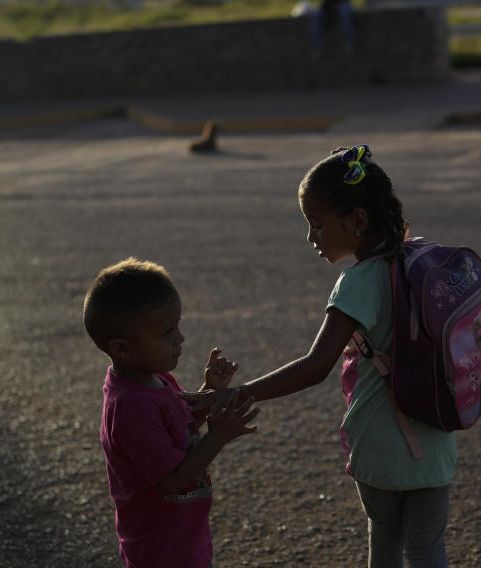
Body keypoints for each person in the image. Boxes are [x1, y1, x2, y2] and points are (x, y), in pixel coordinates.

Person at [181, 146, 456, 568]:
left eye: (317, 225)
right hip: (436, 429)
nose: (311, 238)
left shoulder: (358, 282)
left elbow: (316, 366)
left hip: (383, 442)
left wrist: (239, 393)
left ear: (357, 220)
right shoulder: (420, 261)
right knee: (426, 546)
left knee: (385, 537)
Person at [83, 257, 259, 568]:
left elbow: (178, 426)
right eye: (167, 332)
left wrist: (207, 393)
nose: (180, 339)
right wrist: (218, 436)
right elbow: (171, 480)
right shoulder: (129, 408)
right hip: (159, 550)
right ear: (123, 348)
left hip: (183, 536)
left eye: (178, 326)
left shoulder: (156, 378)